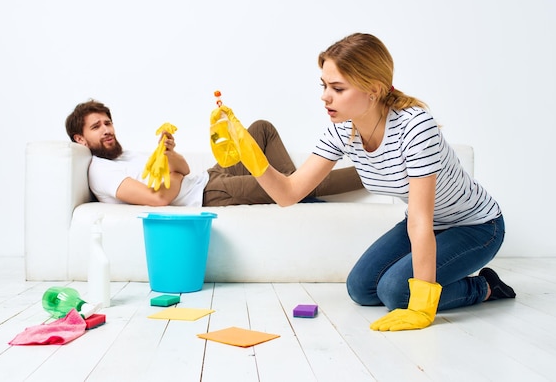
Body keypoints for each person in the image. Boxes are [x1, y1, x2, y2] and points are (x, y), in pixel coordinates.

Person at [215, 33, 515, 331]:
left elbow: (421, 220)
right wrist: (249, 152)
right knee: (361, 288)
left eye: (337, 88)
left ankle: (485, 287)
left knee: (397, 292)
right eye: (324, 86)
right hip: (427, 225)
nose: (325, 96)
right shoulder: (341, 130)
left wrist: (422, 306)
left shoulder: (415, 126)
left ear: (373, 90)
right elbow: (288, 194)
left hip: (476, 227)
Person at [64, 100, 363, 207]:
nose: (107, 130)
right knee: (298, 186)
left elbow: (181, 166)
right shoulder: (100, 172)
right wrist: (175, 170)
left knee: (261, 129)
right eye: (96, 127)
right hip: (209, 194)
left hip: (208, 177)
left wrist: (170, 156)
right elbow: (158, 199)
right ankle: (375, 170)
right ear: (80, 138)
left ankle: (293, 188)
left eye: (108, 122)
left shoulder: (124, 156)